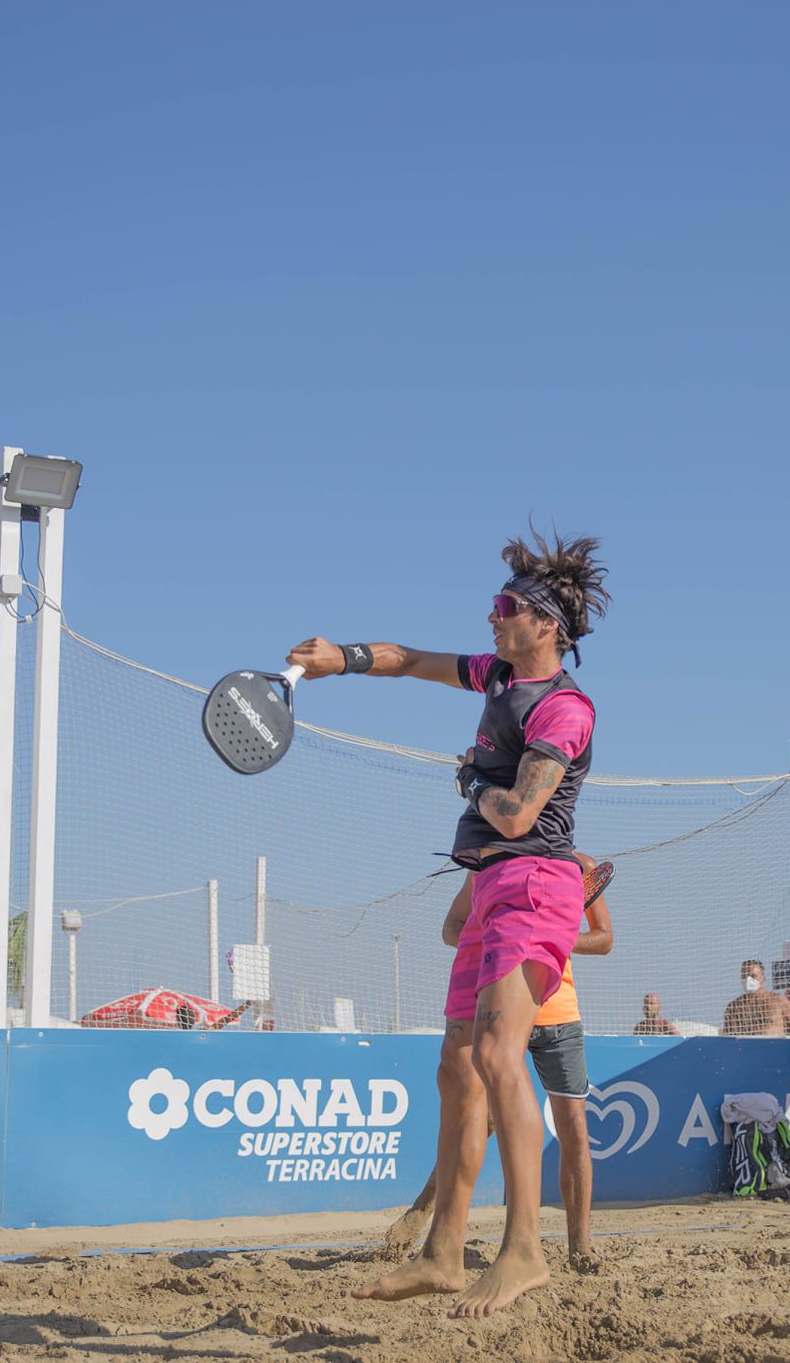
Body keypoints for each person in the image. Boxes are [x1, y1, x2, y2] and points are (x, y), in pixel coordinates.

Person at [311, 528, 609, 1318]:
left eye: (505, 607)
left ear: (546, 623)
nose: (491, 617)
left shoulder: (564, 708)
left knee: (497, 1052)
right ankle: (443, 1252)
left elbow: (517, 813)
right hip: (487, 889)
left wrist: (473, 781)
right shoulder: (497, 675)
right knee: (456, 1062)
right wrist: (340, 658)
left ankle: (524, 1249)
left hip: (535, 884)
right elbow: (411, 658)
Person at [386, 853, 616, 1268]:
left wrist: (551, 936)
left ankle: (580, 1245)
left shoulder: (579, 866)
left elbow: (604, 938)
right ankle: (422, 1211)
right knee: (473, 1118)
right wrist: (500, 937)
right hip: (501, 1006)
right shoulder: (486, 866)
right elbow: (451, 928)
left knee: (575, 1129)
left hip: (557, 1013)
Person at [722, 959, 790, 1037]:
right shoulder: (734, 1007)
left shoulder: (778, 1001)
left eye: (753, 976)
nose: (748, 980)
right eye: (744, 976)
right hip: (745, 1049)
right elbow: (727, 1038)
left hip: (774, 1048)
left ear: (763, 978)